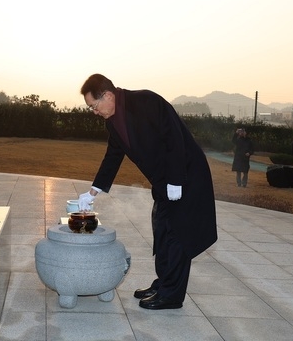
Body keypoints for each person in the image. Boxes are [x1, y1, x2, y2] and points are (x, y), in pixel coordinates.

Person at [77, 74, 217, 310]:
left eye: (94, 106)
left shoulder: (146, 102)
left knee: (177, 235)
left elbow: (174, 137)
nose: (94, 111)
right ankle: (163, 284)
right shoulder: (113, 121)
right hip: (165, 181)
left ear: (108, 95)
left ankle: (171, 295)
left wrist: (176, 180)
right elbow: (112, 156)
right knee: (161, 228)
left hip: (186, 175)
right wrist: (92, 192)